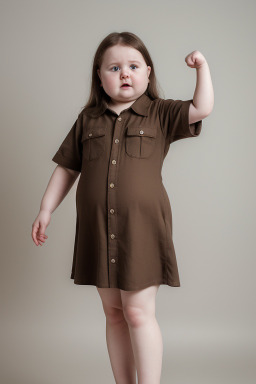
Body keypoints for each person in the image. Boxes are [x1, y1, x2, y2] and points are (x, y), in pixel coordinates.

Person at [31, 31, 214, 384]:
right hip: (99, 228)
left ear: (148, 72)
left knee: (138, 312)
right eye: (114, 67)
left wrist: (201, 67)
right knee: (114, 313)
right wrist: (45, 209)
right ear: (99, 77)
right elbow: (68, 167)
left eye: (132, 66)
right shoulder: (88, 119)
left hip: (141, 228)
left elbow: (202, 107)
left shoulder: (160, 113)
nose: (124, 74)